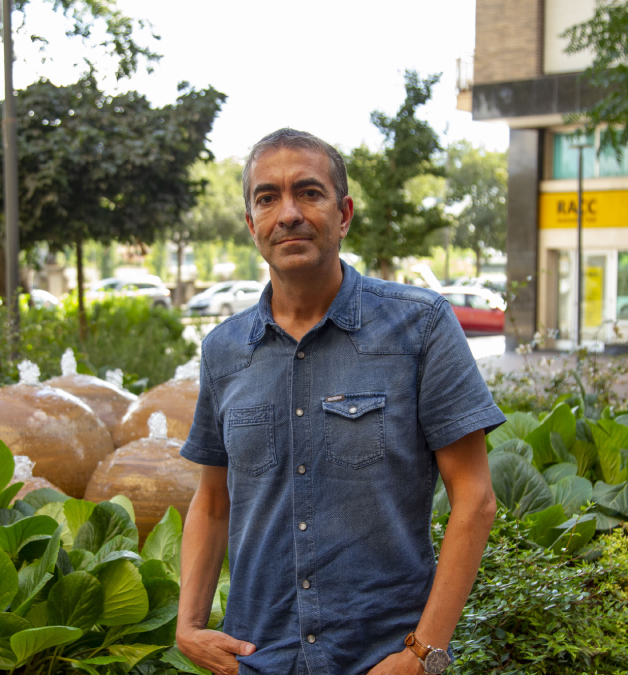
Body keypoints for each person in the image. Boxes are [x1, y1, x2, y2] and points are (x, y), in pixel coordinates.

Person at [176, 129, 506, 675]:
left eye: (309, 192)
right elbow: (213, 502)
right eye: (267, 198)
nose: (288, 214)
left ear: (344, 213)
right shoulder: (224, 350)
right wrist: (188, 627)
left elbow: (474, 498)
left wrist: (423, 655)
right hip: (258, 659)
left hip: (382, 659)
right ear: (250, 223)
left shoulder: (419, 326)